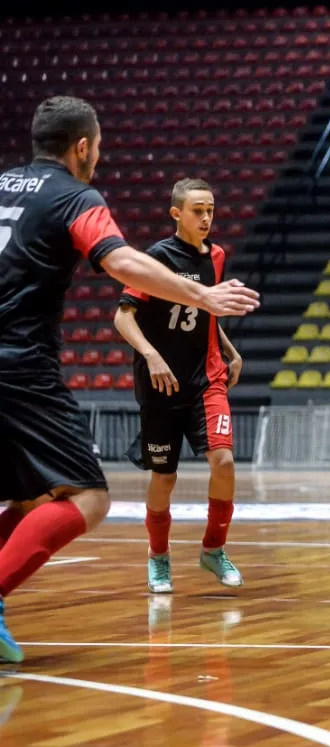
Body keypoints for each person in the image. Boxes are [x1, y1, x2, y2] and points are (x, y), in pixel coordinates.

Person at [0, 96, 259, 662]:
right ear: (83, 147)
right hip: (18, 364)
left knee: (29, 498)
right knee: (87, 498)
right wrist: (201, 294)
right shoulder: (74, 195)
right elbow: (118, 262)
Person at [115, 178, 244, 595]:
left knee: (223, 462)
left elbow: (207, 310)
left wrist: (229, 348)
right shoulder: (156, 259)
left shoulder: (218, 256)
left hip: (206, 378)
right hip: (160, 384)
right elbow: (123, 317)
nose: (206, 218)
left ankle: (213, 549)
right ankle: (158, 559)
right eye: (197, 210)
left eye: (210, 210)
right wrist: (151, 355)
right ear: (176, 213)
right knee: (164, 478)